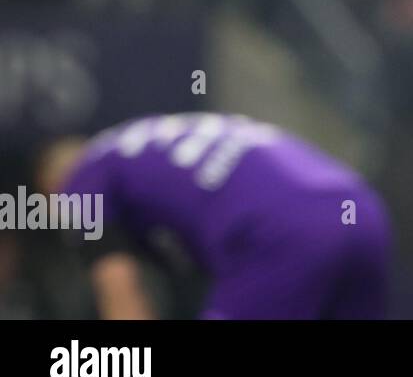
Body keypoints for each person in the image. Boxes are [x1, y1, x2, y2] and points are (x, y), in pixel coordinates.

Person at [38, 111, 391, 319]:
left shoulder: (81, 180)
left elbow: (120, 293)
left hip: (282, 235)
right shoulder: (144, 139)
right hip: (360, 210)